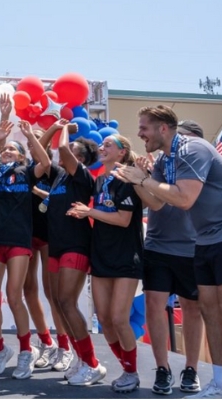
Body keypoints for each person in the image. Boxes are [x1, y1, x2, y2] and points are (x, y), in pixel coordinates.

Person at [115, 105, 222, 400]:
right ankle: (220, 384)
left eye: (144, 128)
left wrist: (143, 179)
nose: (139, 134)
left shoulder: (194, 148)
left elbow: (185, 199)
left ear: (164, 128)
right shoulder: (165, 160)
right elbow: (160, 203)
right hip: (206, 241)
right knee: (210, 312)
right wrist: (136, 178)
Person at [68, 135, 144, 393]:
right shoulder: (100, 180)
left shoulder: (128, 178)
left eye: (108, 145)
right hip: (101, 255)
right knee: (104, 318)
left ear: (122, 153)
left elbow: (123, 219)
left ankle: (131, 373)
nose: (102, 148)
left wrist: (88, 212)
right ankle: (125, 367)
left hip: (125, 256)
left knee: (119, 318)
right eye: (102, 145)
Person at [134, 119, 204, 396]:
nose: (178, 144)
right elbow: (154, 201)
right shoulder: (161, 165)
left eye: (184, 139)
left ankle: (192, 369)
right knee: (154, 305)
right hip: (158, 245)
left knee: (192, 309)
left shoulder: (201, 163)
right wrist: (143, 176)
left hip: (192, 246)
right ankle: (162, 368)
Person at [0, 114, 51, 380]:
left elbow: (45, 162)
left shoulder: (26, 173)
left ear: (22, 157)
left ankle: (26, 351)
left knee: (14, 296)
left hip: (20, 243)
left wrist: (31, 136)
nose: (7, 151)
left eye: (13, 148)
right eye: (5, 149)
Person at [44, 123, 107, 386]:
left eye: (72, 150)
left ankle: (92, 363)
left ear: (79, 158)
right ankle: (82, 359)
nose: (65, 152)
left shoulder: (82, 175)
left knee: (68, 303)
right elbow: (45, 150)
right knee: (59, 303)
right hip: (56, 246)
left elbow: (59, 147)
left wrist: (64, 128)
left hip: (76, 245)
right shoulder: (60, 177)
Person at [24, 122, 68, 372]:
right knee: (29, 289)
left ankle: (64, 346)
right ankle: (46, 341)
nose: (33, 146)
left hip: (50, 235)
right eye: (30, 143)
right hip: (28, 235)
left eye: (37, 142)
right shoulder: (23, 169)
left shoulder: (52, 168)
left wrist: (48, 130)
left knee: (53, 293)